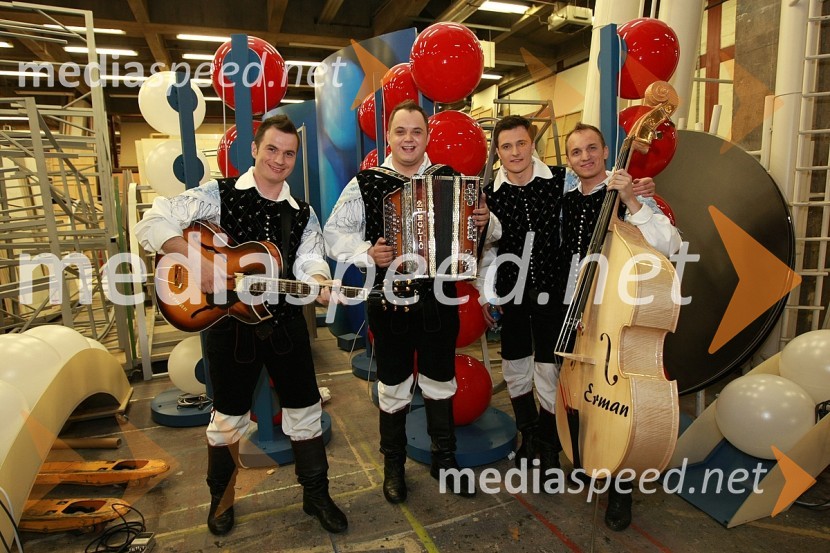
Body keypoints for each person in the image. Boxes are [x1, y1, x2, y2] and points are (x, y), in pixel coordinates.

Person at [134, 115, 348, 536]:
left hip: (285, 326)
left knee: (304, 410)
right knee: (228, 419)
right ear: (254, 149)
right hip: (229, 328)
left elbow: (308, 260)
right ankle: (222, 498)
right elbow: (152, 220)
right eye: (272, 149)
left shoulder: (301, 212)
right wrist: (198, 261)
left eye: (289, 153)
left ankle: (316, 495)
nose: (279, 159)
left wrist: (320, 281)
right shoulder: (219, 194)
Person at [479, 118, 679, 531]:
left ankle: (619, 488)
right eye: (576, 152)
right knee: (581, 393)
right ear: (567, 160)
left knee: (617, 401)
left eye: (592, 149)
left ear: (607, 152)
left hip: (617, 312)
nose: (585, 157)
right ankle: (583, 458)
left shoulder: (624, 194)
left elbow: (669, 244)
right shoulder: (566, 195)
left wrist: (636, 197)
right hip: (575, 309)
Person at [324, 99, 489, 503]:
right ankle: (393, 467)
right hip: (388, 301)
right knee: (393, 383)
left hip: (438, 300)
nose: (409, 139)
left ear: (427, 136)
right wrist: (367, 252)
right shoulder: (367, 182)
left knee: (439, 380)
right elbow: (332, 233)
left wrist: (486, 221)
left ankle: (444, 460)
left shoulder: (450, 177)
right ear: (389, 137)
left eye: (416, 131)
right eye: (401, 131)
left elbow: (482, 232)